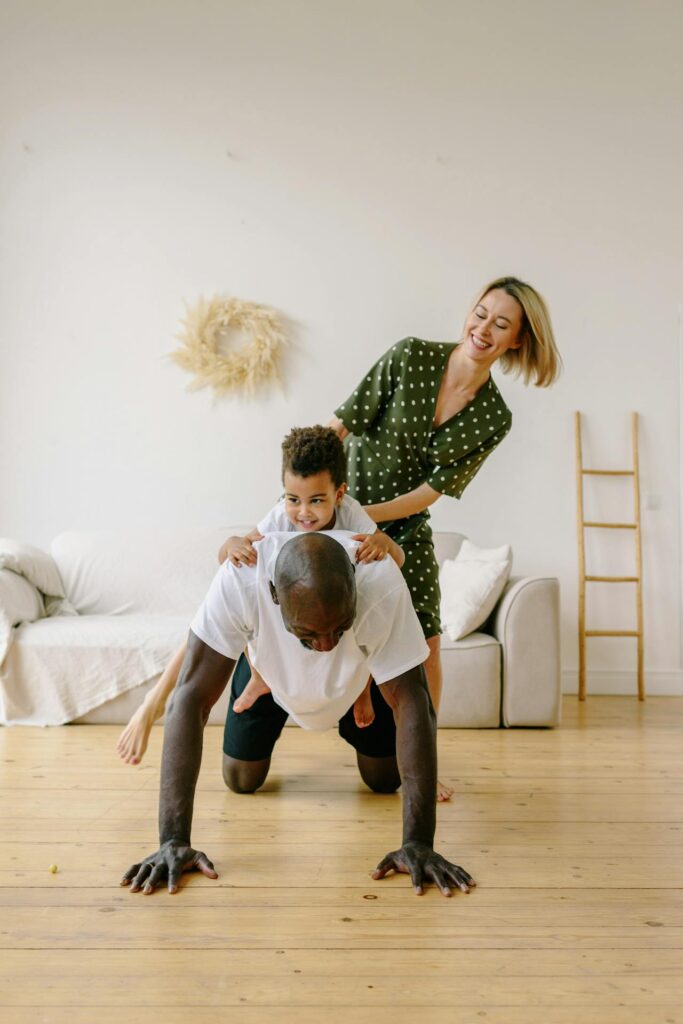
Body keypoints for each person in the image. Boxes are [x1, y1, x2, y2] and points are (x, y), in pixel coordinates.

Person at [121, 531, 476, 897]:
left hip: (355, 682)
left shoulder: (380, 578)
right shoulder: (242, 577)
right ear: (274, 594)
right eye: (310, 634)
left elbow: (413, 700)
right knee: (241, 779)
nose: (325, 645)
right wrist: (173, 840)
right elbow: (190, 696)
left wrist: (419, 842)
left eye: (339, 627)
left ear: (355, 584)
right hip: (270, 676)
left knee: (385, 780)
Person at [328, 276, 562, 801]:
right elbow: (342, 424)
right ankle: (354, 705)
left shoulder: (493, 417)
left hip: (402, 526)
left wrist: (373, 520)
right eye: (480, 314)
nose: (484, 328)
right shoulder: (410, 356)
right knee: (344, 623)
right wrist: (310, 493)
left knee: (429, 644)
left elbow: (431, 491)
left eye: (501, 324)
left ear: (516, 341)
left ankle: (423, 767)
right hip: (340, 517)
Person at [116, 426, 404, 766]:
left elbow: (395, 565)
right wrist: (231, 545)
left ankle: (363, 689)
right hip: (280, 624)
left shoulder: (352, 515)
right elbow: (229, 561)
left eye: (317, 500)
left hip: (339, 625)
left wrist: (386, 546)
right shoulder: (280, 518)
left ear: (339, 494)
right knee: (229, 608)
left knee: (372, 608)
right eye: (293, 499)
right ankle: (229, 682)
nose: (304, 513)